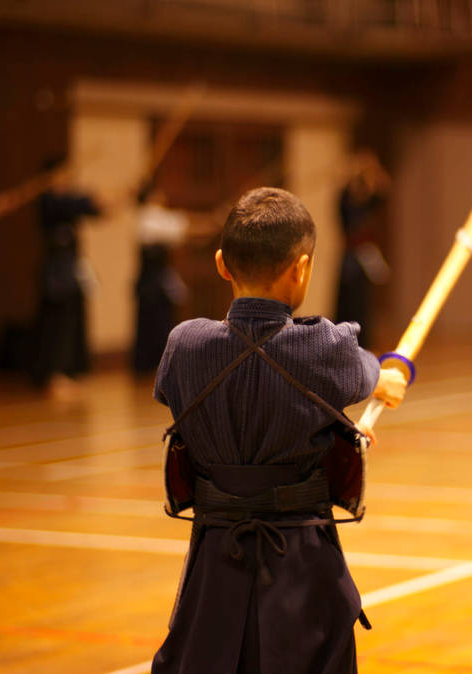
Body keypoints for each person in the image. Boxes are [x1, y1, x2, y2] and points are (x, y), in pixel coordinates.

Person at [151, 186, 407, 673]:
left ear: (223, 264)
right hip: (302, 575)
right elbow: (368, 374)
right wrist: (386, 377)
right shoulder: (324, 349)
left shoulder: (184, 346)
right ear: (303, 267)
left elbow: (180, 397)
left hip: (212, 573)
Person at [30, 157, 103, 397]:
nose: (65, 179)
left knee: (72, 321)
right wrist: (90, 199)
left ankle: (69, 371)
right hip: (55, 272)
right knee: (56, 324)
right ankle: (53, 374)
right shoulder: (48, 200)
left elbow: (95, 210)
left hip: (71, 270)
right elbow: (73, 204)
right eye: (60, 174)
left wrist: (113, 199)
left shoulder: (68, 200)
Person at [334, 149, 390, 349]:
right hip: (350, 255)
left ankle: (363, 340)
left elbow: (383, 191)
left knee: (363, 301)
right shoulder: (346, 197)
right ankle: (343, 339)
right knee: (347, 299)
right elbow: (345, 206)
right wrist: (348, 173)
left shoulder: (368, 200)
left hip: (365, 255)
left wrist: (372, 169)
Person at [131, 183, 189, 375]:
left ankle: (158, 362)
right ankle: (150, 364)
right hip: (150, 283)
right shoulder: (148, 217)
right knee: (154, 323)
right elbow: (182, 227)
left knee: (161, 321)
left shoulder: (157, 216)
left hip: (157, 282)